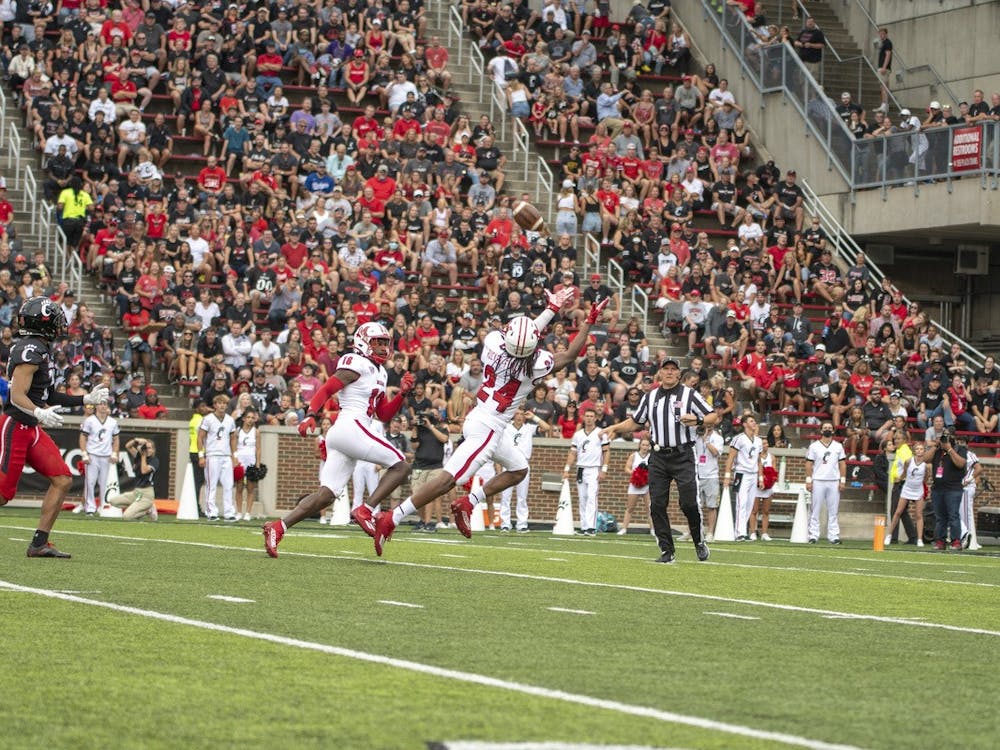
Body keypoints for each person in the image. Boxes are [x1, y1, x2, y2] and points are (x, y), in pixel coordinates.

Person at [370, 290, 609, 555]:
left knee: (519, 469)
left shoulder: (494, 342)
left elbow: (523, 331)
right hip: (490, 427)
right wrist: (588, 322)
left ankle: (468, 502)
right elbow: (569, 355)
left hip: (483, 416)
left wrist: (551, 308)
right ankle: (391, 518)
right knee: (448, 479)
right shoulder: (532, 366)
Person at [263, 322, 415, 558]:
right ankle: (365, 509)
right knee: (401, 465)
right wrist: (311, 414)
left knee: (326, 494)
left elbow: (383, 414)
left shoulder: (381, 372)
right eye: (378, 342)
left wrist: (402, 395)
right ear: (364, 341)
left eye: (386, 343)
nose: (383, 348)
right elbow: (327, 388)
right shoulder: (356, 361)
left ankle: (278, 527)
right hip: (350, 426)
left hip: (349, 433)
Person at [3, 297, 109, 558]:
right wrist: (37, 411)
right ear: (44, 322)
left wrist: (85, 399)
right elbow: (17, 395)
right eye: (56, 317)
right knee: (3, 495)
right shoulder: (29, 350)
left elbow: (49, 395)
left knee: (62, 479)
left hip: (32, 429)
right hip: (16, 426)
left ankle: (39, 543)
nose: (61, 323)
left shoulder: (40, 348)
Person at [602, 357, 719, 563]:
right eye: (666, 369)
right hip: (658, 455)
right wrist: (614, 427)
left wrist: (698, 420)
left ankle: (699, 541)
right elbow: (635, 422)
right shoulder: (650, 396)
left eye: (674, 370)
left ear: (679, 373)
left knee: (689, 503)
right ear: (660, 373)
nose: (670, 373)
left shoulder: (689, 394)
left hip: (683, 455)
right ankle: (667, 549)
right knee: (656, 503)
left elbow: (713, 416)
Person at [499, 409, 549, 532]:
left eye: (522, 414)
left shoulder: (529, 428)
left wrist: (534, 417)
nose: (519, 417)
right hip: (508, 463)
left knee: (522, 496)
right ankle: (505, 523)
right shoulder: (506, 427)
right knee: (506, 496)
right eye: (517, 414)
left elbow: (546, 428)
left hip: (523, 464)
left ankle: (522, 524)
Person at [563, 407, 609, 535]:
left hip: (594, 468)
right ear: (583, 418)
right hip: (580, 468)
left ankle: (591, 527)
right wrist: (567, 468)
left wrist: (604, 469)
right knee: (582, 498)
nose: (589, 418)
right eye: (587, 416)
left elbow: (606, 451)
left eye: (591, 416)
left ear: (595, 418)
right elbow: (573, 453)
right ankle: (584, 526)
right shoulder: (578, 435)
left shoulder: (601, 433)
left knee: (591, 497)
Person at [804, 420, 847, 544]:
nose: (827, 429)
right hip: (818, 480)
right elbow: (808, 464)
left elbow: (842, 464)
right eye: (825, 427)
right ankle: (813, 535)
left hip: (834, 481)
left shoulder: (838, 446)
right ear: (821, 430)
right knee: (815, 509)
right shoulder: (814, 446)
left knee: (833, 510)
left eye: (830, 427)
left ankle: (833, 536)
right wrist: (809, 480)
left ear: (833, 430)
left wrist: (842, 480)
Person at [924, 429, 968, 550]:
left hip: (953, 489)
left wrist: (949, 449)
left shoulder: (960, 449)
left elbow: (961, 464)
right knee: (939, 517)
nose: (944, 439)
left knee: (953, 515)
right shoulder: (937, 451)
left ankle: (956, 541)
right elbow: (925, 459)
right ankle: (940, 541)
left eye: (947, 437)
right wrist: (935, 446)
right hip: (938, 489)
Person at [199, 394, 239, 522]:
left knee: (228, 485)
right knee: (211, 485)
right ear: (215, 405)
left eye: (224, 403)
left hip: (226, 455)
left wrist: (234, 456)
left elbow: (233, 438)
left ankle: (229, 512)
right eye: (219, 403)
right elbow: (200, 437)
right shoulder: (208, 419)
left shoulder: (230, 420)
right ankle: (211, 511)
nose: (222, 406)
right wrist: (201, 455)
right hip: (212, 455)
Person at [724, 415, 764, 541]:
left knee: (750, 504)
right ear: (745, 424)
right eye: (751, 421)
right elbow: (730, 457)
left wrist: (761, 477)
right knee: (741, 502)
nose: (754, 423)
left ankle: (743, 530)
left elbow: (759, 460)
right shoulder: (738, 439)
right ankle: (739, 532)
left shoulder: (758, 441)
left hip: (753, 474)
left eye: (754, 421)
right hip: (741, 473)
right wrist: (727, 475)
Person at [78, 400, 120, 515]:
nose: (102, 406)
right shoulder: (89, 420)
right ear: (96, 406)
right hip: (92, 455)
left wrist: (115, 453)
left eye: (105, 404)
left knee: (104, 483)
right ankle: (90, 508)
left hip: (106, 456)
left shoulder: (112, 422)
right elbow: (83, 437)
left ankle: (103, 506)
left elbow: (116, 439)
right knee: (90, 482)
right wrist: (84, 453)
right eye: (100, 404)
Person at [886, 441, 927, 548]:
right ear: (914, 451)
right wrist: (899, 479)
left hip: (918, 490)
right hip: (907, 488)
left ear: (924, 451)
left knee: (919, 515)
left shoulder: (926, 465)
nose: (919, 451)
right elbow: (904, 473)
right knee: (898, 512)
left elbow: (925, 479)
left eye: (921, 449)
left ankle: (919, 539)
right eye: (917, 449)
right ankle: (889, 535)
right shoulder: (908, 461)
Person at [108, 437, 159, 521]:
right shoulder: (138, 456)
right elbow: (128, 446)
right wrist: (136, 440)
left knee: (126, 517)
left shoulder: (154, 460)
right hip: (136, 493)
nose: (147, 450)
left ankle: (147, 510)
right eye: (145, 447)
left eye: (149, 448)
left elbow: (144, 470)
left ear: (153, 450)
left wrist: (143, 456)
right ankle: (141, 508)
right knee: (113, 501)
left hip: (146, 494)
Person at [689, 423, 723, 542]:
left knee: (711, 505)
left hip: (711, 475)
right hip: (697, 474)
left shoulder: (718, 438)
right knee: (694, 505)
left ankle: (710, 532)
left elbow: (715, 453)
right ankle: (695, 531)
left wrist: (706, 441)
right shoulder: (696, 436)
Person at [234, 408, 262, 522]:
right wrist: (235, 460)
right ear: (244, 418)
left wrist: (258, 463)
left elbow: (258, 449)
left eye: (252, 418)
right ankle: (239, 511)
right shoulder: (238, 431)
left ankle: (248, 512)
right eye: (248, 417)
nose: (250, 420)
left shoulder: (256, 432)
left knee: (251, 488)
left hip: (251, 461)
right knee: (239, 487)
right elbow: (234, 447)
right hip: (240, 461)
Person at [619, 437, 651, 536]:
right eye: (643, 445)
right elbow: (627, 468)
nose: (645, 447)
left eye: (647, 445)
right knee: (630, 508)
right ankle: (624, 528)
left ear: (649, 447)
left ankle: (653, 529)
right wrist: (636, 474)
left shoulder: (651, 457)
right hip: (635, 485)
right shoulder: (634, 455)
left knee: (649, 508)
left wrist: (646, 476)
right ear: (639, 445)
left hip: (646, 486)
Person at [959, 439, 981, 550]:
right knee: (961, 513)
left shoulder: (970, 454)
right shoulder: (957, 454)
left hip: (967, 487)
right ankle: (964, 538)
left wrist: (969, 480)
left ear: (967, 444)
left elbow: (979, 469)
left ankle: (967, 539)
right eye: (959, 442)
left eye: (963, 442)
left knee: (965, 514)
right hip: (959, 487)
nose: (961, 444)